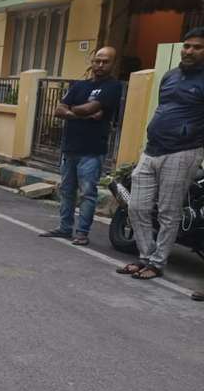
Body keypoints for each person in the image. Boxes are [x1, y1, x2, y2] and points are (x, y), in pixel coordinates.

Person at [117, 28, 204, 282]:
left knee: (169, 211)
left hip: (183, 152)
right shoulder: (170, 76)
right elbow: (164, 107)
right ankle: (145, 256)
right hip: (153, 148)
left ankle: (156, 263)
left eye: (197, 47)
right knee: (136, 205)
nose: (189, 51)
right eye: (187, 46)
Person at [40, 47, 122, 246]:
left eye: (105, 62)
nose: (100, 65)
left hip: (92, 151)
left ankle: (82, 233)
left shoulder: (113, 86)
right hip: (70, 148)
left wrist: (75, 111)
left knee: (87, 194)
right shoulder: (79, 86)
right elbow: (59, 109)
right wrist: (81, 113)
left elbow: (90, 108)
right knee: (67, 191)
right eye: (97, 61)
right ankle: (65, 228)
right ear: (92, 62)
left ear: (112, 64)